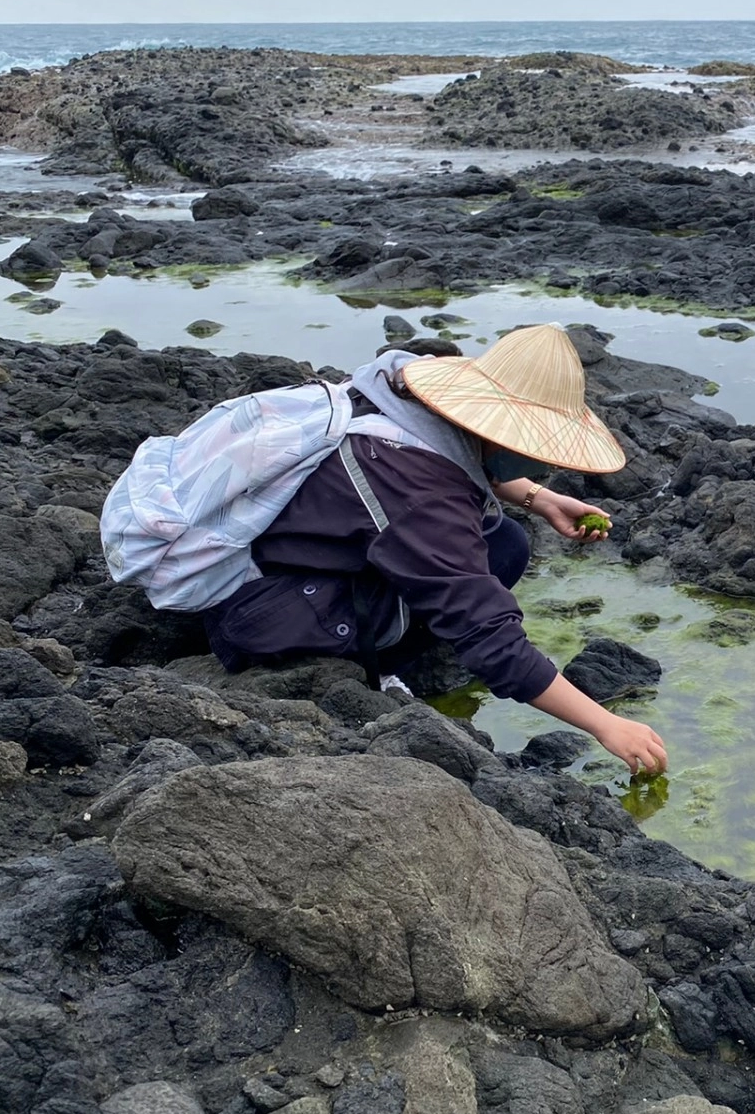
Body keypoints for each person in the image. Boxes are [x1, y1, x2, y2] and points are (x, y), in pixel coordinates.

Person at [203, 323, 666, 776]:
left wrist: (540, 498)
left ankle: (381, 639)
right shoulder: (419, 493)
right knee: (466, 594)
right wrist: (606, 725)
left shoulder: (400, 392)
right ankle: (369, 672)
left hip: (293, 553)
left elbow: (459, 453)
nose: (544, 459)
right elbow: (488, 636)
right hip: (255, 610)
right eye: (534, 442)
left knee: (504, 544)